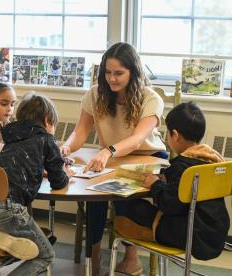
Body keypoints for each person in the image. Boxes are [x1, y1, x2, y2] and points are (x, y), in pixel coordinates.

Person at [60, 42, 167, 275]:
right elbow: (80, 132)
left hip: (147, 157)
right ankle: (94, 256)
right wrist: (65, 148)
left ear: (133, 72)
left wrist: (107, 151)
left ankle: (131, 258)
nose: (112, 79)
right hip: (112, 157)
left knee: (122, 194)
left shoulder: (151, 98)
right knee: (94, 196)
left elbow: (138, 139)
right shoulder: (95, 94)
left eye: (119, 73)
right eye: (107, 72)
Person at [115, 102, 230, 272]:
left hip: (189, 235)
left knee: (131, 208)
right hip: (214, 233)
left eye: (167, 133)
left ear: (175, 135)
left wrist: (155, 184)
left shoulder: (182, 167)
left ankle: (131, 255)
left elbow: (170, 205)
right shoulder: (213, 161)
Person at [0, 92, 73, 275]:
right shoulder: (46, 139)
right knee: (46, 255)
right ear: (48, 120)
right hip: (7, 210)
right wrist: (66, 172)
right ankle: (9, 235)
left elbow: (21, 164)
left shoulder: (11, 138)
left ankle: (7, 236)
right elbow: (58, 182)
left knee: (29, 243)